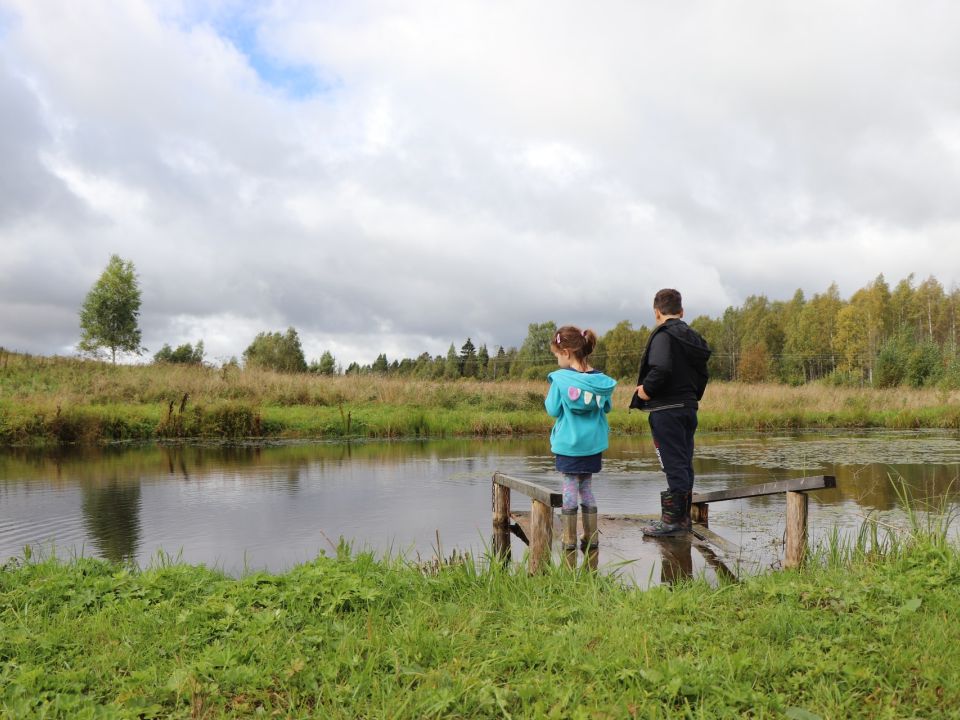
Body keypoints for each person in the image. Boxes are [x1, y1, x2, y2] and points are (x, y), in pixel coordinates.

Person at [630, 289, 711, 536]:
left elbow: (661, 369)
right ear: (681, 312)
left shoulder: (663, 336)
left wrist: (645, 390)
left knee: (674, 465)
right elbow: (703, 374)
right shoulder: (694, 339)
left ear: (656, 312)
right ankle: (682, 520)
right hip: (687, 408)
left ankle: (674, 523)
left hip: (666, 410)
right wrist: (692, 396)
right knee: (684, 463)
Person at [545, 326, 617, 565]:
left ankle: (568, 539)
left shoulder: (561, 380)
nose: (557, 359)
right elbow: (607, 408)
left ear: (566, 352)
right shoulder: (601, 382)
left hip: (568, 445)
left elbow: (553, 409)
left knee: (569, 488)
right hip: (593, 446)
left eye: (557, 354)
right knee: (586, 488)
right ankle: (591, 537)